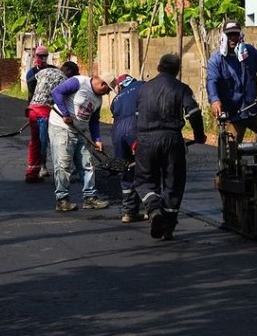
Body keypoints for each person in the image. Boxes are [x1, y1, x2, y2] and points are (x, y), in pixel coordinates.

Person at [133, 53, 206, 240]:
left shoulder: (143, 89)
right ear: (177, 70)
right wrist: (199, 135)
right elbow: (194, 113)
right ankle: (168, 226)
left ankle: (153, 209)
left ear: (158, 67)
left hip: (146, 140)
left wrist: (136, 141)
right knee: (174, 183)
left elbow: (136, 117)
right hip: (172, 140)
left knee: (144, 181)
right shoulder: (181, 88)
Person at [48, 70, 116, 211]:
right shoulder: (78, 82)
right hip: (61, 128)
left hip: (81, 131)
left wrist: (97, 139)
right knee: (63, 165)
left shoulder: (98, 100)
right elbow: (56, 93)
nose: (107, 93)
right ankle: (62, 200)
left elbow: (94, 121)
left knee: (87, 164)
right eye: (107, 89)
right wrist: (65, 114)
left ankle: (90, 198)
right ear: (102, 83)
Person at [206, 21, 257, 141]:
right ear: (224, 37)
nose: (233, 38)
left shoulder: (251, 53)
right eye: (229, 35)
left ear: (240, 36)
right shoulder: (216, 60)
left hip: (253, 111)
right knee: (229, 147)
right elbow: (212, 81)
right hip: (233, 114)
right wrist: (215, 100)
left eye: (235, 35)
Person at [109, 72, 145, 222]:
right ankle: (152, 209)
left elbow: (114, 112)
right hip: (134, 128)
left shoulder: (115, 99)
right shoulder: (142, 85)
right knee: (145, 167)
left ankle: (129, 212)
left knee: (126, 169)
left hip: (117, 132)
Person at [24, 46, 58, 182]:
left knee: (54, 140)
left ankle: (58, 168)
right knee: (40, 140)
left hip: (53, 109)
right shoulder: (31, 74)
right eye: (40, 56)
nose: (42, 59)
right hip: (39, 110)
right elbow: (31, 94)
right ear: (35, 57)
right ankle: (41, 166)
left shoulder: (53, 70)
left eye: (44, 56)